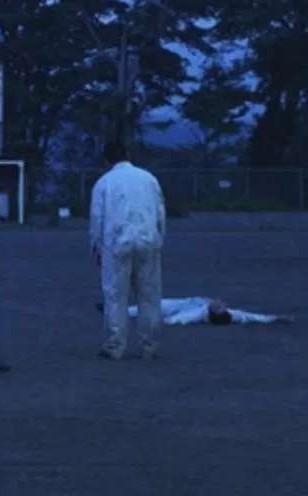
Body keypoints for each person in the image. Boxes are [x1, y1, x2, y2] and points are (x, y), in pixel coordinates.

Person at [91, 139, 166, 360]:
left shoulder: (104, 183)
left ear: (107, 160)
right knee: (149, 296)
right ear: (128, 155)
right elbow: (160, 213)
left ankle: (115, 345)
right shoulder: (149, 179)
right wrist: (159, 241)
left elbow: (97, 219)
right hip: (148, 241)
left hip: (116, 244)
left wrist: (96, 247)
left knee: (115, 296)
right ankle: (148, 345)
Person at [94, 297, 296, 326]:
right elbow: (253, 317)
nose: (220, 303)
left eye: (219, 306)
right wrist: (276, 318)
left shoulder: (199, 313)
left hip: (179, 307)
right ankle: (115, 310)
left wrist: (165, 322)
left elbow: (179, 319)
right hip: (185, 303)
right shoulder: (232, 314)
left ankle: (114, 311)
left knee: (151, 306)